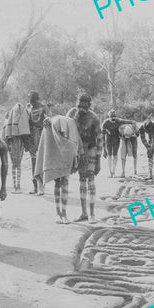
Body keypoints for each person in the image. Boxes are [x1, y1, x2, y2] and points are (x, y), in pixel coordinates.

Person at [34, 115, 84, 224]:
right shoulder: (51, 125)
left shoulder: (71, 123)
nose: (62, 134)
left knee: (65, 182)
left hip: (66, 156)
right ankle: (58, 213)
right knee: (57, 182)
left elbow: (76, 141)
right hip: (56, 155)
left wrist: (78, 153)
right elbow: (46, 143)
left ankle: (64, 213)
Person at [66, 93, 103, 224]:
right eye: (80, 106)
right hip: (79, 151)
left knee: (91, 180)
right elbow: (65, 128)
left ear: (89, 106)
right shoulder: (73, 114)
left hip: (91, 149)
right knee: (82, 180)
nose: (82, 109)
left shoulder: (94, 118)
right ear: (78, 104)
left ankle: (92, 213)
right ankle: (84, 213)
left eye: (84, 107)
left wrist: (98, 160)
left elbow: (99, 139)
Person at [1, 103, 30, 194]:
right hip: (19, 143)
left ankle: (16, 186)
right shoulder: (24, 120)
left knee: (14, 165)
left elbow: (4, 136)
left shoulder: (7, 121)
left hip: (12, 144)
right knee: (18, 164)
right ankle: (17, 186)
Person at [101, 109, 137, 177]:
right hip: (108, 140)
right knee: (109, 155)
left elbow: (127, 121)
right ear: (109, 117)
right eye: (112, 117)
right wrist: (104, 149)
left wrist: (133, 122)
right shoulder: (105, 123)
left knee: (115, 155)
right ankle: (110, 172)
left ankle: (114, 172)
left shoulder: (118, 121)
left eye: (114, 116)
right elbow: (102, 136)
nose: (113, 118)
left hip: (116, 139)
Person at [26, 90, 48, 195]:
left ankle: (41, 187)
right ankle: (35, 187)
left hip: (42, 135)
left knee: (41, 161)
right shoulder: (28, 108)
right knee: (34, 161)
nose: (30, 101)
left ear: (36, 99)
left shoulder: (43, 107)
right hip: (31, 136)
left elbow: (49, 121)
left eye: (32, 99)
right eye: (29, 99)